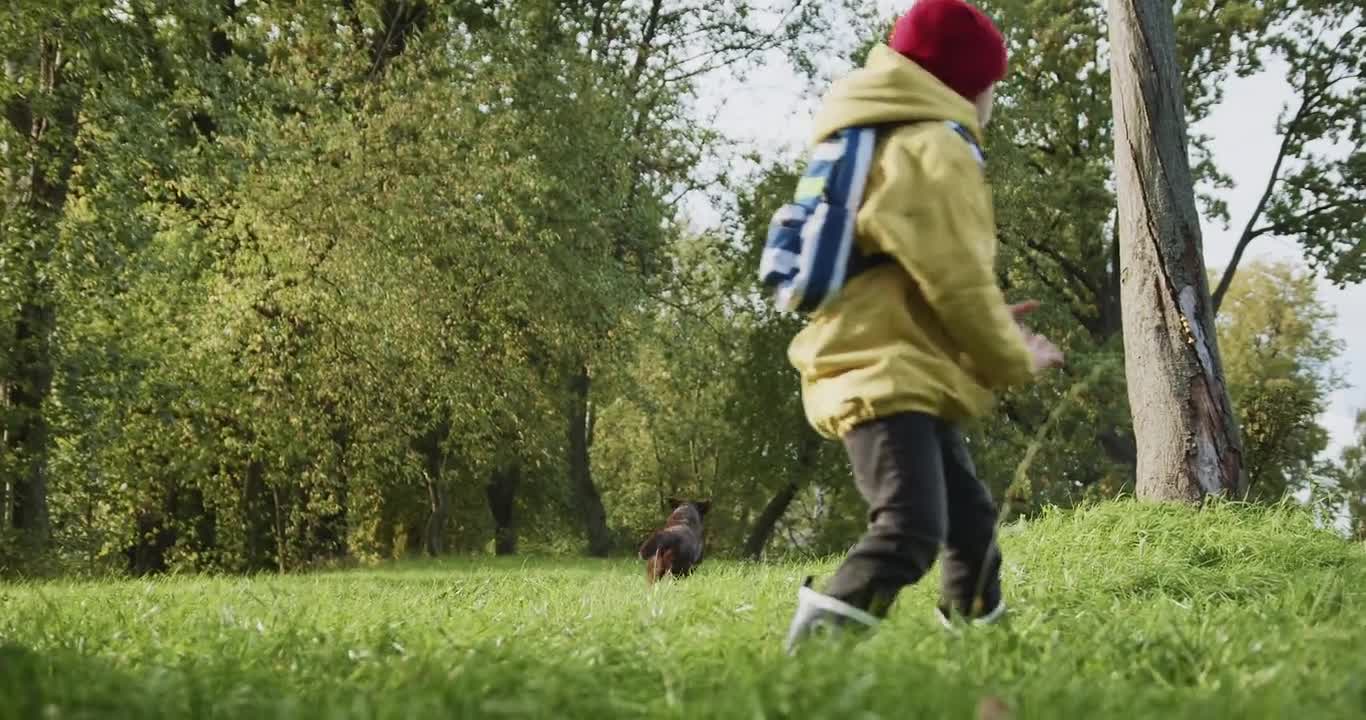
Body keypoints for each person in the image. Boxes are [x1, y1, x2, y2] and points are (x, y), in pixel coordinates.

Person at [782, 0, 1065, 654]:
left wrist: (989, 323)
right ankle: (813, 653)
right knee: (911, 525)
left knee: (970, 521)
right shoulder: (934, 146)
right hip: (884, 375)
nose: (993, 98)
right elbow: (958, 281)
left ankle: (982, 646)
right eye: (994, 84)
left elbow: (922, 277)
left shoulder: (884, 134)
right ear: (967, 83)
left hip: (901, 366)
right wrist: (1011, 357)